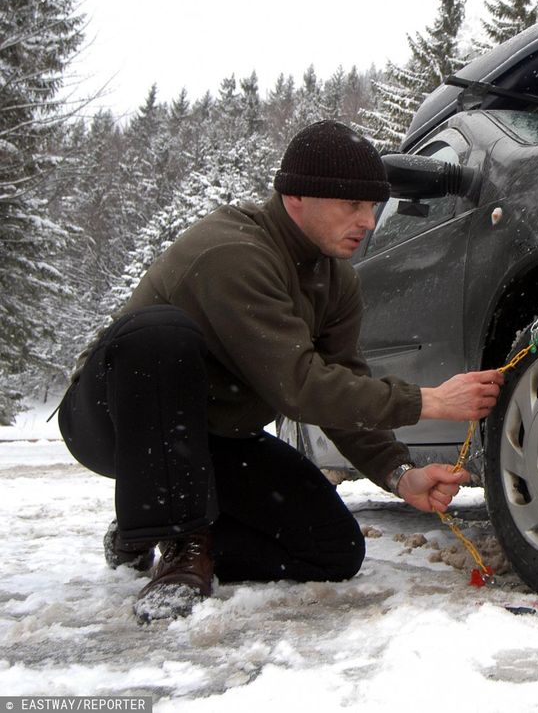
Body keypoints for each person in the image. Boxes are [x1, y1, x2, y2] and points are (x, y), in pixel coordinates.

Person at [58, 120, 503, 623]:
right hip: (114, 421)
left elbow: (341, 384)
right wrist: (429, 401)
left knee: (332, 551)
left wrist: (400, 475)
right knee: (159, 333)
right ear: (296, 197)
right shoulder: (234, 251)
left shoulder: (337, 282)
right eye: (351, 205)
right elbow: (299, 386)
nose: (368, 222)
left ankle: (164, 526)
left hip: (211, 439)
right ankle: (180, 550)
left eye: (372, 206)